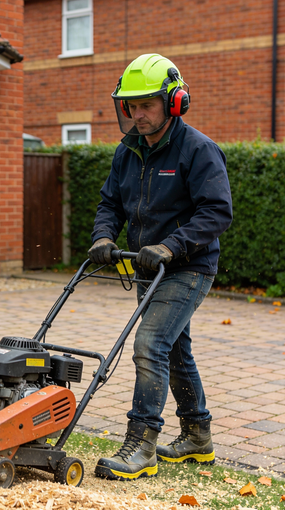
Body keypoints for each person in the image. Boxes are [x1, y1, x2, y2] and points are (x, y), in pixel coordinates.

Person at [89, 53, 233, 481]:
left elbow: (216, 212)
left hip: (189, 267)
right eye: (131, 106)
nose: (138, 114)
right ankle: (197, 436)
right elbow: (110, 203)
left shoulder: (199, 150)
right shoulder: (128, 150)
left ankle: (142, 443)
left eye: (147, 104)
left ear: (175, 102)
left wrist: (171, 246)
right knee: (174, 349)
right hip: (147, 267)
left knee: (150, 343)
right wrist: (103, 237)